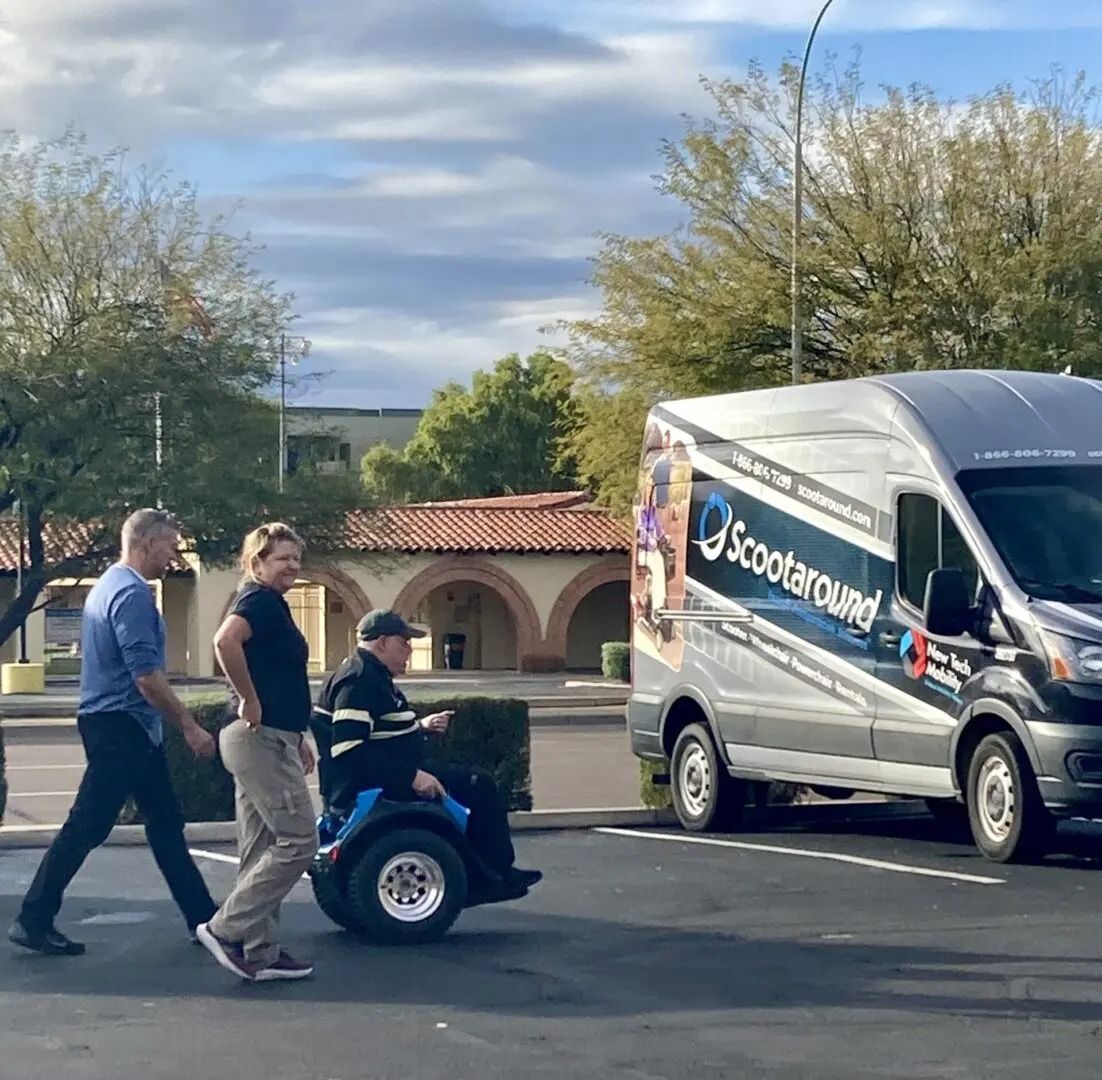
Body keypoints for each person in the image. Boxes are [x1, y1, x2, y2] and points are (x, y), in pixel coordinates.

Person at [8, 508, 219, 957]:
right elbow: (145, 675)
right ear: (147, 543)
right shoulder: (132, 595)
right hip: (121, 724)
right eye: (170, 546)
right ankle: (33, 918)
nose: (173, 556)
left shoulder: (107, 585)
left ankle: (204, 919)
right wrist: (189, 724)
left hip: (126, 725)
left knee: (165, 824)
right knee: (88, 823)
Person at [312, 610, 541, 899]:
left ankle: (486, 868)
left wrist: (419, 726)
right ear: (382, 643)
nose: (410, 650)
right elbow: (348, 750)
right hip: (378, 782)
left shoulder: (368, 673)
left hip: (385, 773)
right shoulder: (360, 681)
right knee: (479, 785)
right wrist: (412, 776)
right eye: (404, 643)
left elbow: (377, 731)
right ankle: (496, 873)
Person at [194, 523, 318, 983]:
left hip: (271, 736)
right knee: (300, 840)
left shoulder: (272, 604)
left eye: (296, 558)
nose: (292, 565)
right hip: (257, 737)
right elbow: (225, 641)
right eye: (282, 558)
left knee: (261, 847)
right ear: (257, 562)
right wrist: (247, 697)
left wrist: (298, 733)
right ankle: (225, 930)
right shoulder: (259, 600)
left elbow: (278, 676)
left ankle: (260, 952)